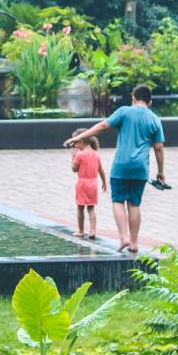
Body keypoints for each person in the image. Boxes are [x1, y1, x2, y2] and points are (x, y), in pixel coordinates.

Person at [64, 85, 165, 254]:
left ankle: (123, 237)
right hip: (140, 168)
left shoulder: (125, 111)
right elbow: (159, 147)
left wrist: (79, 137)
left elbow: (103, 126)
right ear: (150, 102)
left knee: (118, 200)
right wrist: (161, 171)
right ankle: (133, 242)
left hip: (121, 166)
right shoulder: (155, 119)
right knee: (134, 204)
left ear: (133, 99)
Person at [70, 128, 106, 239]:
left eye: (75, 143)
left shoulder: (79, 155)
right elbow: (101, 170)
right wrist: (104, 182)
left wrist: (73, 157)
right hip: (93, 183)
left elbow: (74, 169)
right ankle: (92, 231)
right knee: (91, 208)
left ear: (81, 141)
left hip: (82, 183)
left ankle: (81, 231)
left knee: (80, 208)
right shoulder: (96, 154)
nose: (75, 146)